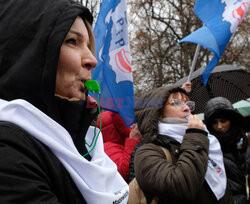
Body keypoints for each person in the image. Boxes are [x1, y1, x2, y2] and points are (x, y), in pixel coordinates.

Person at [0, 1, 129, 203]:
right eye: (72, 41)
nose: (92, 60)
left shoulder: (87, 139)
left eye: (88, 45)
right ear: (32, 53)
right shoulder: (8, 152)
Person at [131, 85, 235, 203]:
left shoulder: (207, 139)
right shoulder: (146, 153)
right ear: (158, 113)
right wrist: (195, 134)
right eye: (176, 103)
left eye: (188, 104)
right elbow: (181, 188)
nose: (187, 108)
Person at [204, 97, 250, 204]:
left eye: (223, 121)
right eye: (215, 123)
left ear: (231, 120)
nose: (219, 126)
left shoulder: (247, 139)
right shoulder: (210, 150)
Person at [96, 111, 142, 182]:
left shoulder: (121, 139)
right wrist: (133, 140)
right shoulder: (107, 148)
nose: (133, 126)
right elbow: (124, 172)